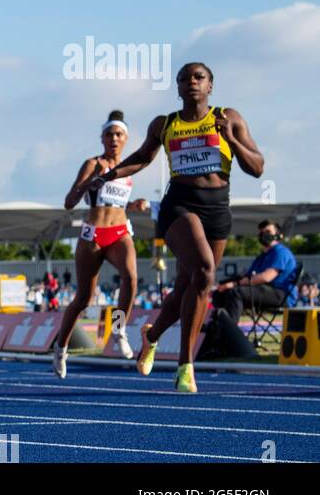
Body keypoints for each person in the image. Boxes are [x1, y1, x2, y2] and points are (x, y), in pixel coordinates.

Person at [90, 63, 265, 392]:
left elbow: (256, 167)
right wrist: (109, 175)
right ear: (178, 88)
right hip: (179, 206)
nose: (192, 83)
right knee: (204, 270)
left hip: (217, 210)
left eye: (199, 78)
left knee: (190, 284)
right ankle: (186, 365)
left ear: (211, 85)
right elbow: (142, 156)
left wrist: (230, 139)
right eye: (184, 79)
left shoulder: (229, 118)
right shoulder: (165, 123)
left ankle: (151, 336)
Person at [51, 110, 150, 378]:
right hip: (93, 234)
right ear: (102, 138)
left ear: (126, 138)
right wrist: (88, 185)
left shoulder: (129, 167)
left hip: (119, 231)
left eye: (118, 134)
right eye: (109, 134)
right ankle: (61, 348)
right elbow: (69, 202)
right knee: (83, 298)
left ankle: (118, 330)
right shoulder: (93, 163)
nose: (114, 139)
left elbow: (115, 203)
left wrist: (134, 204)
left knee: (130, 277)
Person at [210, 219, 298, 330]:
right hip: (265, 290)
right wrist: (223, 284)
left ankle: (229, 334)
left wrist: (234, 284)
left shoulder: (281, 252)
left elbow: (266, 277)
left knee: (236, 292)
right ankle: (218, 330)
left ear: (278, 234)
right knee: (219, 292)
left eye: (268, 231)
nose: (263, 235)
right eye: (261, 232)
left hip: (282, 294)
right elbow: (248, 276)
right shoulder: (263, 256)